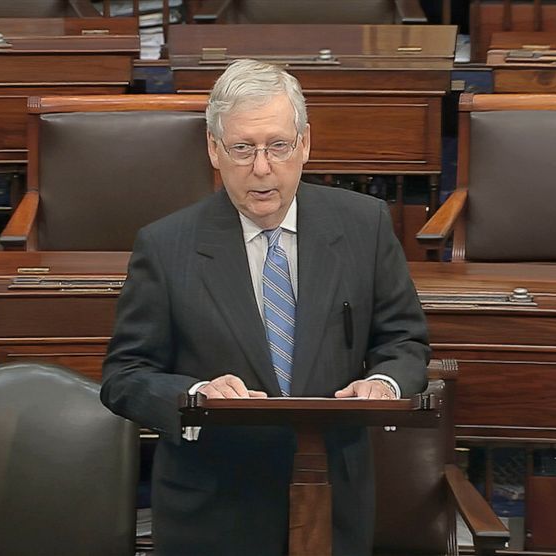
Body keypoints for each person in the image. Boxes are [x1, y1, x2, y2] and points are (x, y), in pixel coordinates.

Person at [100, 59, 430, 556]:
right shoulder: (166, 246)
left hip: (331, 500)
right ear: (214, 150)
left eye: (278, 146)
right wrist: (195, 394)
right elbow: (124, 375)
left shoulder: (365, 225)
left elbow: (404, 341)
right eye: (242, 148)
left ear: (305, 144)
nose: (261, 167)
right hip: (212, 511)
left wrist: (383, 384)